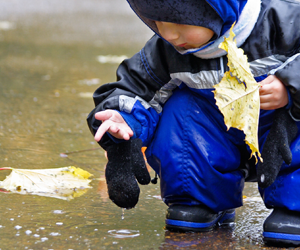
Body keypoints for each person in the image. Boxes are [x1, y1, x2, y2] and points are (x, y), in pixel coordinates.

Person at [87, 0, 300, 246]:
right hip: (214, 139)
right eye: (158, 22)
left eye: (179, 21)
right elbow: (134, 88)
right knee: (181, 108)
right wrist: (122, 118)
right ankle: (198, 197)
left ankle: (293, 205)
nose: (169, 33)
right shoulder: (168, 49)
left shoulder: (282, 22)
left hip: (279, 135)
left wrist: (291, 85)